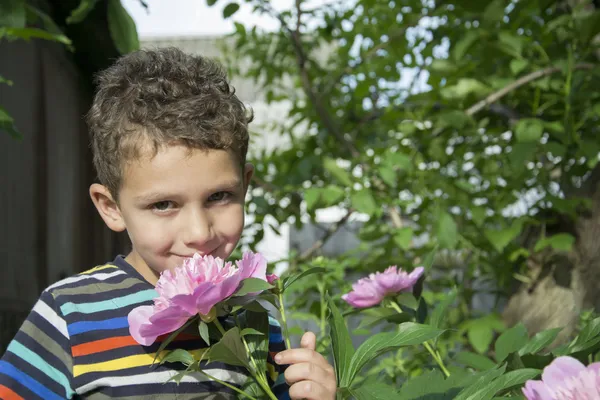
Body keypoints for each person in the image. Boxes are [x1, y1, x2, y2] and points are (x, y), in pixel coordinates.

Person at [0, 47, 337, 400]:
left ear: (245, 186)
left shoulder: (255, 320)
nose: (199, 233)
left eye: (219, 196)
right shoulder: (69, 316)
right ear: (111, 207)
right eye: (163, 204)